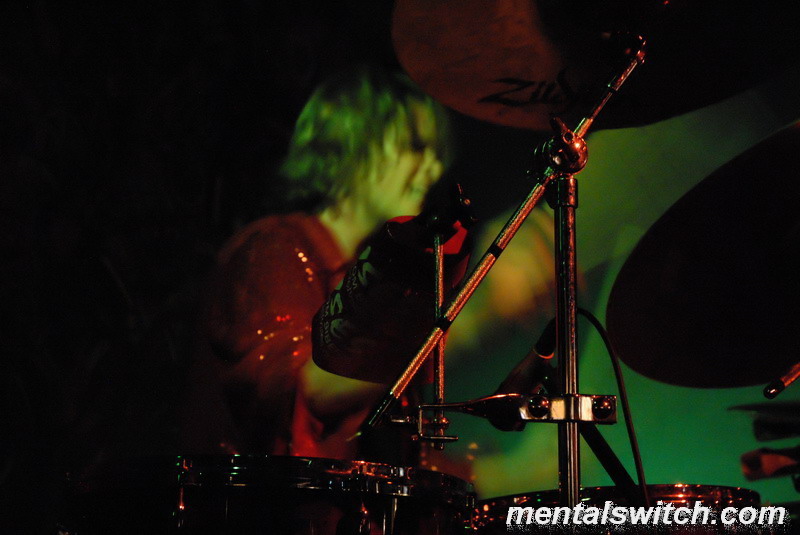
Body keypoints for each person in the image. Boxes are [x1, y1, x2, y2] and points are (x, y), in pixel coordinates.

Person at [180, 66, 454, 462]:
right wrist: (464, 320)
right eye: (415, 146)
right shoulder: (274, 249)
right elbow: (307, 392)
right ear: (352, 139)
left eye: (436, 153)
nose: (434, 168)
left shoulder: (370, 279)